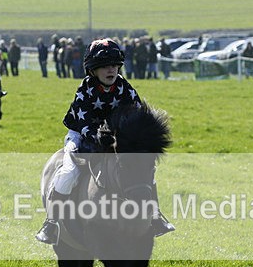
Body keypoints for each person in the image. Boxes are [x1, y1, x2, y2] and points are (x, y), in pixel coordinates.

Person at [35, 37, 175, 245]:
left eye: (114, 66)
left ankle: (154, 216)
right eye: (104, 67)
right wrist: (98, 136)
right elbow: (83, 124)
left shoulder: (125, 88)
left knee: (145, 172)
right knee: (67, 173)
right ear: (93, 70)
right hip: (81, 136)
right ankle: (52, 223)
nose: (111, 70)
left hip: (114, 140)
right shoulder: (85, 90)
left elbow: (137, 115)